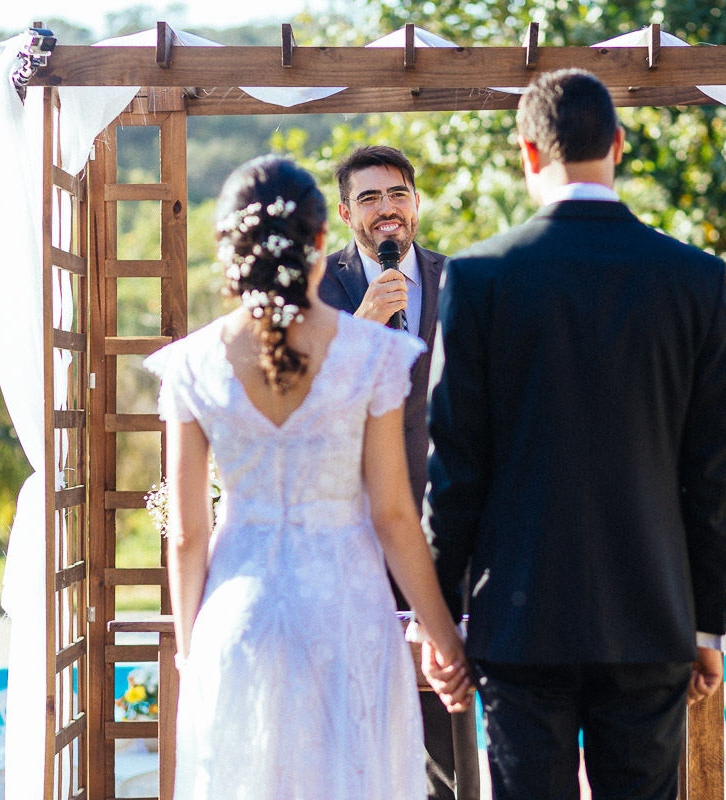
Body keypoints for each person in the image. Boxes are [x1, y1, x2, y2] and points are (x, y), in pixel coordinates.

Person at [422, 69, 726, 800]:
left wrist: (438, 618)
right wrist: (705, 624)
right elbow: (715, 469)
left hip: (520, 623)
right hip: (651, 618)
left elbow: (456, 468)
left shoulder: (478, 278)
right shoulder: (694, 278)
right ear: (619, 146)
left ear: (528, 153)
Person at [145, 155, 469, 800]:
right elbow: (393, 517)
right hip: (348, 607)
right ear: (326, 237)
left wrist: (191, 650)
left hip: (235, 616)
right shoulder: (373, 352)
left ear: (228, 247)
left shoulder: (190, 364)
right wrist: (445, 637)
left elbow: (186, 535)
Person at [318, 145, 460, 800]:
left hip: (441, 525)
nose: (386, 209)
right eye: (369, 198)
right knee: (351, 715)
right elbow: (297, 398)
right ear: (347, 213)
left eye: (396, 194)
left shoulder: (461, 279)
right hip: (350, 526)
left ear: (416, 203)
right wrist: (360, 323)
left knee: (444, 721)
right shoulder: (319, 287)